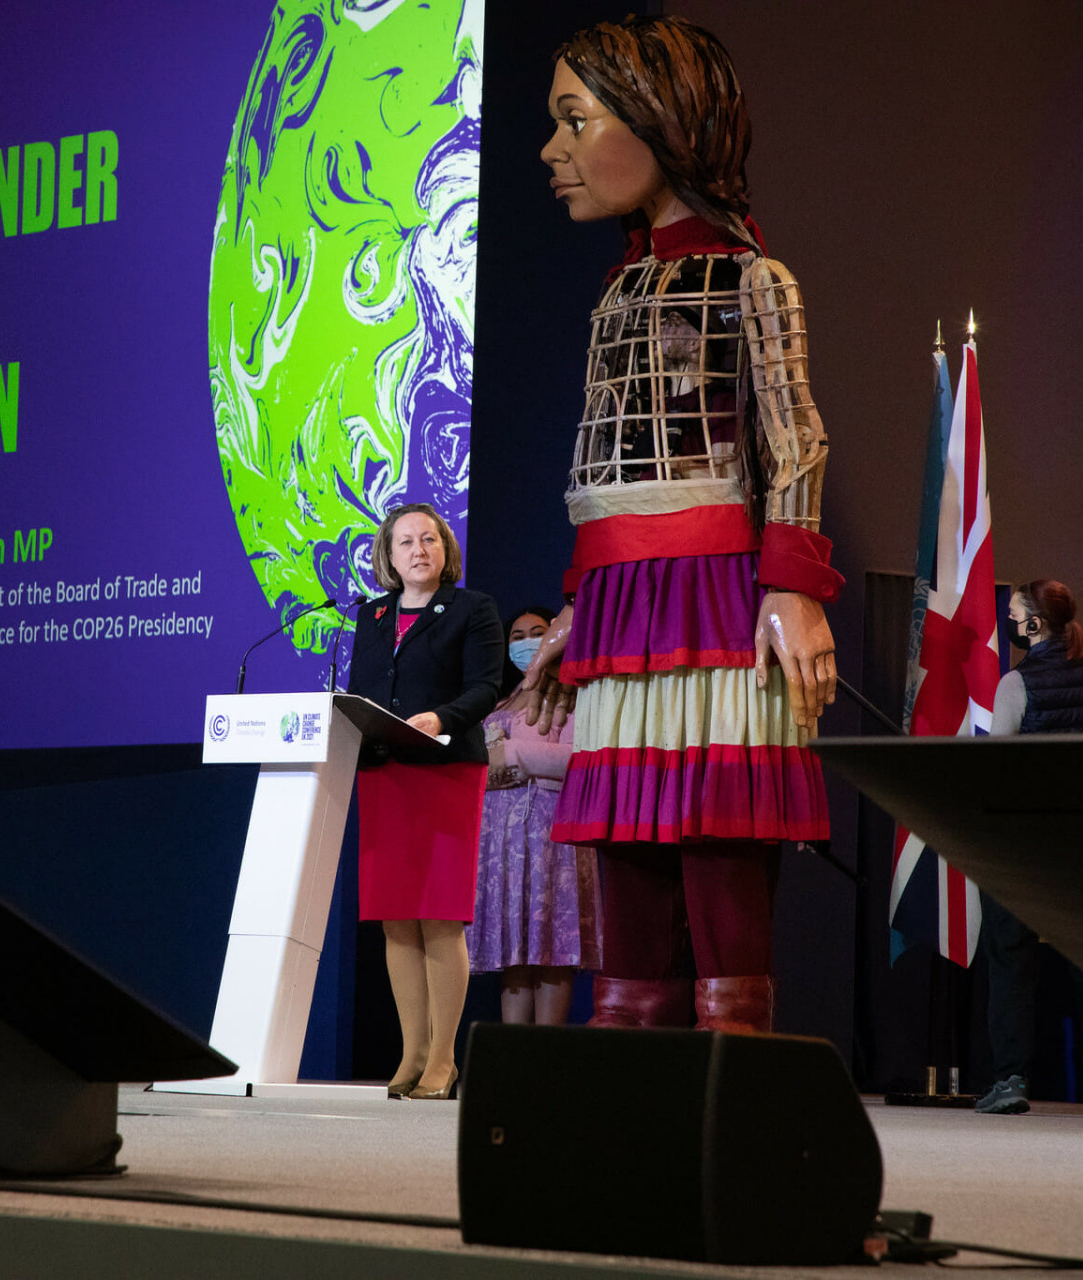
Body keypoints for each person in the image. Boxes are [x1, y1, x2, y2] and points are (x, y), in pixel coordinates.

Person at [517, 15, 839, 1033]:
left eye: (575, 120)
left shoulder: (755, 280)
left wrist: (792, 584)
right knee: (624, 831)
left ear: (662, 123)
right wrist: (578, 610)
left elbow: (794, 441)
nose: (551, 151)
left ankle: (733, 1044)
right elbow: (602, 461)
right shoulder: (617, 291)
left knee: (716, 824)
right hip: (621, 599)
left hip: (713, 587)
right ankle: (627, 1036)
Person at [346, 503, 505, 1098]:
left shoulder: (470, 608)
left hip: (444, 770)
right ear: (388, 554)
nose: (419, 550)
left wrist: (440, 716)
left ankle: (444, 1058)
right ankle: (411, 1055)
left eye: (430, 539)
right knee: (396, 920)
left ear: (445, 550)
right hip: (384, 773)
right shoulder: (373, 615)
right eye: (406, 541)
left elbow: (487, 686)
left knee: (439, 917)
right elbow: (365, 690)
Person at [975, 580, 1083, 1120]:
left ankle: (1009, 1081)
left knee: (1011, 960)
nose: (1008, 622)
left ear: (1032, 625)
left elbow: (995, 768)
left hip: (1023, 845)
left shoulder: (1014, 685)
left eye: (1012, 614)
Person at [469, 607, 601, 1023]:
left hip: (550, 835)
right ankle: (513, 1061)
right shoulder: (501, 700)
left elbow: (582, 758)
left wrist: (512, 755)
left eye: (538, 632)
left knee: (550, 949)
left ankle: (544, 1061)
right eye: (517, 635)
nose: (527, 642)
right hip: (501, 843)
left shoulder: (575, 693)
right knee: (515, 955)